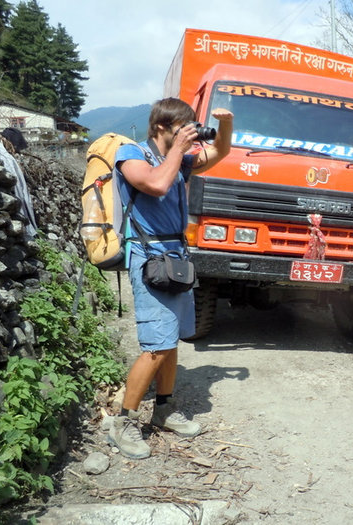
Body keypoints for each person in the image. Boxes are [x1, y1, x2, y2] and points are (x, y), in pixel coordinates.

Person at [107, 98, 234, 459]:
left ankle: (163, 409)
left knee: (171, 341)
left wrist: (224, 127)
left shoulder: (182, 159)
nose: (189, 135)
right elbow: (157, 185)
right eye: (182, 128)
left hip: (176, 257)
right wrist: (178, 150)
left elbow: (221, 151)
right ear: (161, 127)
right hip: (148, 257)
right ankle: (123, 423)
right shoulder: (130, 154)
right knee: (155, 346)